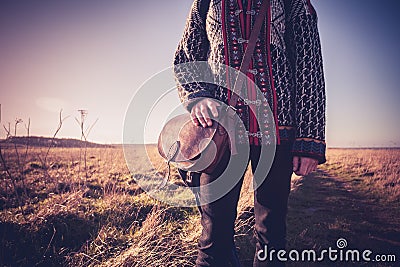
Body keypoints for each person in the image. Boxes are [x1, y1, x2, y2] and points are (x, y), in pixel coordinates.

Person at [173, 0, 326, 266]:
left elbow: (309, 65)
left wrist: (309, 140)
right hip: (220, 135)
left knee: (271, 232)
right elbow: (187, 56)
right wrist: (198, 98)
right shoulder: (205, 1)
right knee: (212, 236)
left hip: (278, 132)